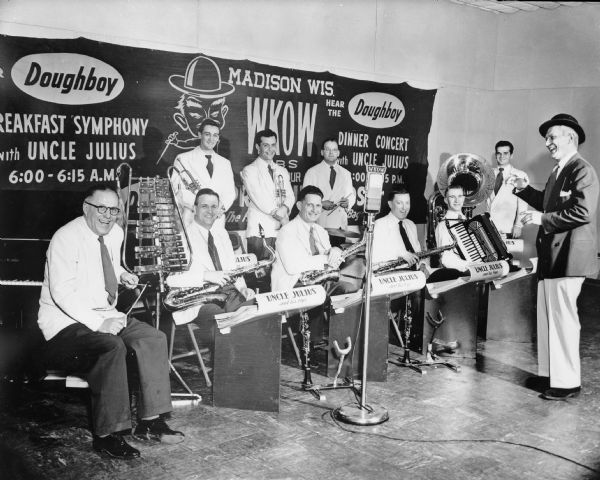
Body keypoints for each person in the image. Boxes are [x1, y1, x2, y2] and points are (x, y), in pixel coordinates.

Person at [37, 184, 183, 460]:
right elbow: (62, 292)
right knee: (112, 346)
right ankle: (107, 435)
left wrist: (122, 275)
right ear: (86, 208)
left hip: (105, 314)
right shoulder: (65, 238)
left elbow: (107, 266)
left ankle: (149, 421)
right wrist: (97, 323)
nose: (108, 216)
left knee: (153, 338)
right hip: (65, 323)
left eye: (114, 210)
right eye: (101, 209)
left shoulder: (115, 233)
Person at [511, 113, 599, 401]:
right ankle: (550, 375)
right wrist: (524, 188)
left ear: (570, 137)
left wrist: (542, 218)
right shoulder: (558, 171)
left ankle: (568, 382)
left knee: (563, 320)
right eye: (546, 138)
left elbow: (582, 212)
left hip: (569, 257)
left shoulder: (582, 170)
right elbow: (548, 204)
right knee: (548, 319)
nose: (547, 143)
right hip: (552, 257)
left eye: (552, 137)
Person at [166, 188, 255, 325]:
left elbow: (232, 268)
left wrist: (243, 288)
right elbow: (171, 280)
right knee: (224, 320)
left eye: (214, 206)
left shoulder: (222, 233)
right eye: (204, 206)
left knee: (255, 310)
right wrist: (205, 275)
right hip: (198, 301)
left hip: (228, 294)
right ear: (194, 209)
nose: (210, 211)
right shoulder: (180, 238)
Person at [271, 185, 344, 292]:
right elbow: (293, 267)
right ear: (300, 206)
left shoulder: (321, 231)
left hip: (318, 284)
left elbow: (331, 264)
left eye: (318, 205)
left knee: (349, 288)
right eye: (310, 205)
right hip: (293, 288)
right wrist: (326, 258)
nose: (315, 210)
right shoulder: (287, 231)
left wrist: (336, 251)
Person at [241, 128, 295, 261]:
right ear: (257, 147)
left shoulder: (282, 170)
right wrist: (282, 217)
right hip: (260, 231)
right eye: (266, 145)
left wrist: (285, 209)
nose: (270, 149)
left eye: (273, 145)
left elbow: (291, 196)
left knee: (279, 272)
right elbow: (260, 199)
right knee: (260, 275)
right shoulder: (249, 170)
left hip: (281, 230)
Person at [171, 119, 236, 227]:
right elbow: (176, 189)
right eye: (207, 134)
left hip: (217, 219)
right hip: (191, 217)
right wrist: (200, 208)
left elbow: (230, 192)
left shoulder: (225, 163)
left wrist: (220, 209)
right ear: (199, 135)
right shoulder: (182, 159)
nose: (211, 139)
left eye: (215, 135)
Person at [302, 138, 356, 235]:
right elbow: (305, 199)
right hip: (319, 223)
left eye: (334, 150)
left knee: (337, 250)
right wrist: (321, 204)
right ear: (322, 152)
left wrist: (347, 203)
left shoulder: (346, 173)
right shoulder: (312, 172)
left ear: (338, 153)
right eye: (328, 149)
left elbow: (351, 195)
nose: (331, 153)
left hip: (340, 226)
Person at [487, 140, 528, 238]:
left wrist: (518, 225)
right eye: (499, 153)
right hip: (488, 226)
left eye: (505, 153)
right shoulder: (489, 174)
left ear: (511, 155)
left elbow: (523, 203)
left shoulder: (520, 175)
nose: (502, 156)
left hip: (507, 227)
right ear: (496, 155)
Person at [372, 185, 421, 267]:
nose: (404, 208)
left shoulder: (411, 225)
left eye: (407, 203)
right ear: (390, 204)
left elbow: (418, 252)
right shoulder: (379, 225)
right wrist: (401, 254)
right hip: (392, 275)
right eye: (399, 203)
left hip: (415, 274)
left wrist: (422, 265)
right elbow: (374, 257)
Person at [435, 184, 470, 273]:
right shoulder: (443, 226)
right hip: (459, 275)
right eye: (452, 197)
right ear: (446, 200)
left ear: (464, 198)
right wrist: (469, 265)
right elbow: (446, 259)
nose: (457, 200)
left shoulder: (468, 221)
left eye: (460, 196)